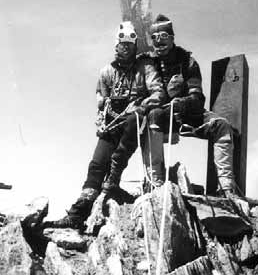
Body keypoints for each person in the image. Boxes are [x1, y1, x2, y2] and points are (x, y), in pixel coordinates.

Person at [48, 21, 165, 230]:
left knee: (131, 125)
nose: (126, 48)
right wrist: (100, 120)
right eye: (123, 44)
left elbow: (158, 93)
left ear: (135, 45)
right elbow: (101, 100)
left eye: (130, 44)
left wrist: (141, 105)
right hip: (112, 123)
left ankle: (113, 179)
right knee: (95, 165)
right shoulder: (107, 72)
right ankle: (78, 213)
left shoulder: (144, 67)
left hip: (134, 121)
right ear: (116, 46)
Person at [143, 14, 236, 196]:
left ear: (172, 38)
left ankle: (227, 187)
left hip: (188, 113)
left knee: (221, 126)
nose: (159, 42)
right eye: (154, 38)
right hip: (162, 115)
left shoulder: (188, 62)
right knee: (152, 117)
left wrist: (181, 104)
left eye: (163, 37)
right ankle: (157, 184)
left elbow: (197, 97)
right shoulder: (148, 63)